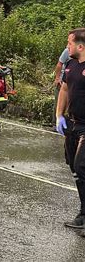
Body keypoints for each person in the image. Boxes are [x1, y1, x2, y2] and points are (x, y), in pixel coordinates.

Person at [56, 28, 85, 233]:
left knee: (82, 166)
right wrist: (59, 115)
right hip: (72, 123)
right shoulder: (71, 64)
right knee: (74, 170)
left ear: (80, 46)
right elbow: (64, 89)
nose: (67, 46)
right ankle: (83, 213)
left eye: (70, 43)